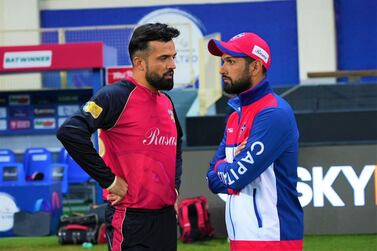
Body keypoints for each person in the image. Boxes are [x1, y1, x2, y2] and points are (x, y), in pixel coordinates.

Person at [57, 23, 183, 251]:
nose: (172, 65)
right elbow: (70, 132)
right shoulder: (115, 96)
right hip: (131, 221)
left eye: (173, 57)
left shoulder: (166, 102)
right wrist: (109, 181)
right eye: (163, 58)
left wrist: (174, 189)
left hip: (165, 220)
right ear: (139, 63)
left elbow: (177, 146)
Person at [206, 32, 303, 251]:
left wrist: (223, 168)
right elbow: (211, 179)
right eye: (223, 61)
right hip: (242, 238)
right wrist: (223, 169)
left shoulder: (274, 114)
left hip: (272, 238)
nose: (222, 69)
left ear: (255, 67)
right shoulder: (235, 115)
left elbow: (233, 178)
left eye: (231, 61)